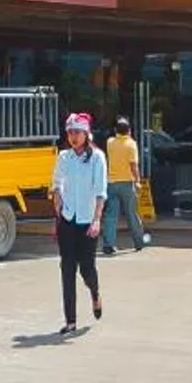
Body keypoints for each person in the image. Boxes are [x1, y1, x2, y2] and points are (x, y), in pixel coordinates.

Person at [50, 113, 107, 333]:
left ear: (86, 134)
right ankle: (70, 320)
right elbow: (57, 182)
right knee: (67, 268)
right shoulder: (64, 157)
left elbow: (101, 192)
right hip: (68, 219)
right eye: (70, 133)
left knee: (87, 268)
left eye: (77, 133)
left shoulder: (97, 158)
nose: (73, 137)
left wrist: (96, 220)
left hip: (87, 219)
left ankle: (95, 293)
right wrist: (57, 197)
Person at [102, 117, 149, 252]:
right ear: (129, 130)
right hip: (127, 183)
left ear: (115, 130)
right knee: (131, 214)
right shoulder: (131, 144)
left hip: (111, 183)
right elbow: (133, 165)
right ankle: (138, 242)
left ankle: (108, 244)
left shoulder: (110, 142)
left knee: (111, 215)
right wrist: (138, 181)